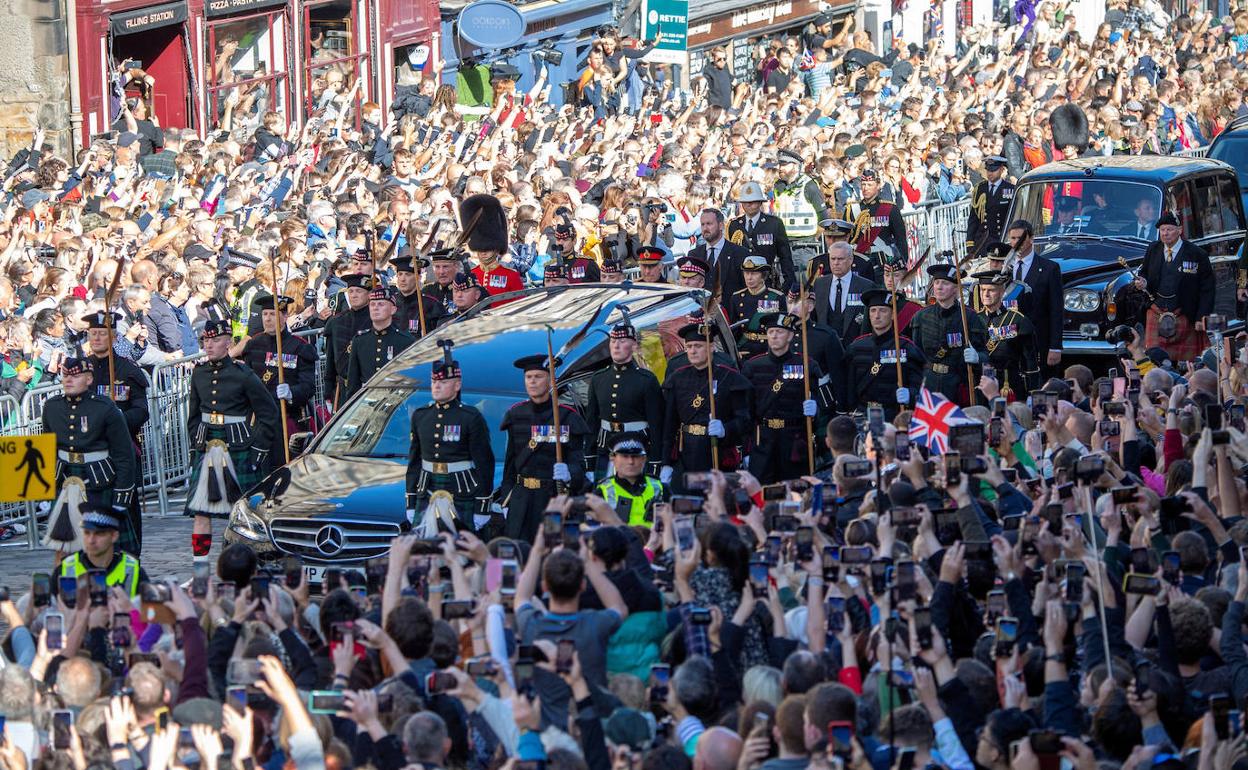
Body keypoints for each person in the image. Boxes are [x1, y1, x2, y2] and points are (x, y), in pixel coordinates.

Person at [184, 319, 278, 562]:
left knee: (241, 512)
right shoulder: (199, 373)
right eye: (206, 340)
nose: (209, 345)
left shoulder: (243, 374)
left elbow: (268, 413)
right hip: (207, 447)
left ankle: (239, 563)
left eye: (215, 340)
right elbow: (193, 415)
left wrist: (258, 449)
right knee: (201, 512)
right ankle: (200, 568)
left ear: (228, 343)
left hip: (239, 447)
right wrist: (196, 439)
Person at [40, 356, 138, 554]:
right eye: (65, 375)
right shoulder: (51, 407)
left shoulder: (105, 407)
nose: (68, 380)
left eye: (75, 376)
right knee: (63, 548)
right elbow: (47, 450)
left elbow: (123, 454)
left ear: (89, 379)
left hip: (98, 483)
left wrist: (122, 495)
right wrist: (46, 487)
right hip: (66, 480)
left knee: (99, 546)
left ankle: (99, 585)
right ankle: (66, 584)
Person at [404, 343, 495, 534]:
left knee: (464, 552)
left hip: (462, 489)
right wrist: (411, 501)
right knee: (425, 553)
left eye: (443, 382)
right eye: (434, 381)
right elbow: (414, 462)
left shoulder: (470, 417)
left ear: (457, 385)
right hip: (427, 487)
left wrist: (483, 506)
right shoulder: (421, 416)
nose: (436, 386)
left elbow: (484, 464)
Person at [498, 354, 590, 542]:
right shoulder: (516, 415)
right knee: (517, 551)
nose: (532, 382)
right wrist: (506, 500)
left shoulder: (566, 417)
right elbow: (510, 464)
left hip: (552, 500)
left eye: (538, 377)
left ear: (550, 380)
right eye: (528, 377)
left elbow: (579, 464)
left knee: (550, 546)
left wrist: (569, 472)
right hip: (521, 500)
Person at [82, 310, 148, 553]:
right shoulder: (82, 370)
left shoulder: (127, 370)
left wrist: (118, 420)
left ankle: (131, 564)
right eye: (93, 334)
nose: (97, 338)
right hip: (92, 452)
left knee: (126, 513)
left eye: (102, 334)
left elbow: (142, 411)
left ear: (114, 337)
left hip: (121, 452)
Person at [659, 322, 752, 486]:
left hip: (718, 453)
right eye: (689, 346)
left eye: (698, 346)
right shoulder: (677, 378)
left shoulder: (729, 378)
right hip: (686, 452)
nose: (693, 350)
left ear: (711, 347)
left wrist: (725, 429)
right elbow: (669, 424)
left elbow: (744, 420)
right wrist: (666, 462)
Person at [741, 313, 821, 483]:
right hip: (763, 440)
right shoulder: (752, 367)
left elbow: (816, 401)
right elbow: (746, 412)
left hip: (794, 440)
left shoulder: (807, 365)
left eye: (779, 331)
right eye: (771, 332)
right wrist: (746, 449)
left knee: (795, 492)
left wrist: (815, 409)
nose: (774, 336)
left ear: (791, 335)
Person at [584, 322, 664, 478]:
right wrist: (589, 458)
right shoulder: (599, 378)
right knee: (604, 495)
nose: (616, 346)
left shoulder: (646, 380)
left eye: (622, 341)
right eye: (613, 342)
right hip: (606, 448)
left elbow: (656, 425)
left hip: (636, 447)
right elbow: (592, 422)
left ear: (634, 346)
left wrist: (656, 461)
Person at [1136, 211, 1216, 362]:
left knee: (1190, 362)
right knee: (1154, 359)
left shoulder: (1197, 254)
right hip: (1156, 311)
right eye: (1162, 230)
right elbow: (1144, 272)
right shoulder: (1153, 249)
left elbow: (1207, 289)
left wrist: (1201, 317)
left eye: (1169, 229)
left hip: (1186, 313)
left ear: (1179, 231)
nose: (1165, 233)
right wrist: (1143, 282)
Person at [239, 294, 317, 435]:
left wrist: (291, 392)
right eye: (265, 314)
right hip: (259, 420)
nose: (268, 319)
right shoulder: (253, 345)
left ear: (285, 316)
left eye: (273, 314)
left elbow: (309, 386)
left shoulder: (300, 347)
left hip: (288, 418)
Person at [910, 264, 988, 405]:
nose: (939, 287)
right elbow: (916, 358)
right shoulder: (921, 317)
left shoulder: (969, 317)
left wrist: (977, 357)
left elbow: (985, 355)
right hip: (930, 383)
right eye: (937, 282)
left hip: (958, 384)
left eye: (945, 283)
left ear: (956, 289)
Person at [844, 288, 925, 418]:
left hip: (894, 416)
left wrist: (910, 394)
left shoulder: (906, 348)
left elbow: (919, 387)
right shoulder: (856, 347)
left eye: (883, 310)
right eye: (873, 310)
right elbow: (849, 387)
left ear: (893, 315)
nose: (877, 315)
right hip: (864, 415)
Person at [1005, 219, 1065, 374]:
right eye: (1013, 238)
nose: (1016, 243)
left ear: (1031, 239)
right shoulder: (1005, 269)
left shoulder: (1049, 268)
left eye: (1021, 238)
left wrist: (1055, 347)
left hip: (1039, 342)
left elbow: (1056, 310)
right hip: (1010, 343)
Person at [973, 269, 1040, 401]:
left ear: (1002, 292)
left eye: (991, 290)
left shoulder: (1019, 320)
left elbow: (1030, 361)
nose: (985, 294)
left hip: (1009, 384)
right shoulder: (973, 319)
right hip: (981, 383)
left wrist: (1033, 393)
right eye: (982, 290)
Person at [56, 508, 148, 598]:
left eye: (99, 534)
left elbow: (147, 612)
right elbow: (51, 610)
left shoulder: (134, 571)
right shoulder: (64, 569)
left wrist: (131, 612)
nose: (91, 540)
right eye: (87, 533)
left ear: (114, 536)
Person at [344, 285, 415, 401]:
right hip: (366, 403)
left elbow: (409, 381)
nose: (375, 308)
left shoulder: (405, 341)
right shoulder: (360, 340)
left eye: (381, 304)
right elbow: (353, 384)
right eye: (372, 304)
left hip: (395, 402)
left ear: (393, 309)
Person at [727, 182, 796, 291]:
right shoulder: (734, 225)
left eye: (753, 201)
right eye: (746, 202)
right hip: (741, 283)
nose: (749, 204)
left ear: (760, 202)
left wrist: (789, 282)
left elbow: (785, 256)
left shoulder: (774, 224)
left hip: (765, 281)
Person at [844, 168, 908, 281]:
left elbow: (900, 239)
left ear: (878, 185)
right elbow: (846, 239)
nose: (865, 188)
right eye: (863, 184)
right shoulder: (851, 209)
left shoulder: (890, 208)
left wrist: (903, 262)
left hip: (883, 261)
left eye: (870, 184)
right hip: (859, 259)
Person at [771, 149, 829, 271]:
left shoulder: (809, 186)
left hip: (804, 245)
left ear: (796, 166)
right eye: (780, 164)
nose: (781, 168)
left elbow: (824, 218)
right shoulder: (778, 186)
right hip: (783, 244)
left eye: (785, 165)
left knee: (804, 282)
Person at [593, 432, 667, 527]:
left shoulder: (661, 488)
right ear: (612, 458)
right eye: (625, 456)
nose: (631, 462)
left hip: (654, 540)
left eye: (635, 456)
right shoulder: (601, 491)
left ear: (644, 458)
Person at [323, 273, 372, 410]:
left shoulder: (375, 320)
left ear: (368, 294)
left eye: (359, 291)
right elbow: (330, 359)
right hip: (343, 389)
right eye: (351, 291)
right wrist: (328, 390)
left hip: (367, 387)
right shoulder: (336, 322)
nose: (354, 295)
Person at [812, 242, 874, 341]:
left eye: (840, 259)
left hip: (855, 347)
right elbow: (815, 316)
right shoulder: (819, 284)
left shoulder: (866, 286)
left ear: (850, 260)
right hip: (826, 348)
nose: (836, 263)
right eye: (833, 259)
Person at [692, 209, 749, 300]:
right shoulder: (694, 254)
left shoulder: (740, 254)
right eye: (702, 224)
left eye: (709, 224)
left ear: (721, 225)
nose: (705, 228)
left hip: (729, 311)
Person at [964, 156, 1015, 257]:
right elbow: (974, 218)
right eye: (988, 170)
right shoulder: (980, 188)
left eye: (994, 170)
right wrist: (970, 242)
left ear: (1001, 170)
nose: (990, 173)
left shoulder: (1010, 189)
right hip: (982, 240)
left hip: (1001, 238)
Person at [392, 254, 448, 335]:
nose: (402, 279)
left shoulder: (431, 305)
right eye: (400, 274)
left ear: (418, 277)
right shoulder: (390, 303)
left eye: (408, 274)